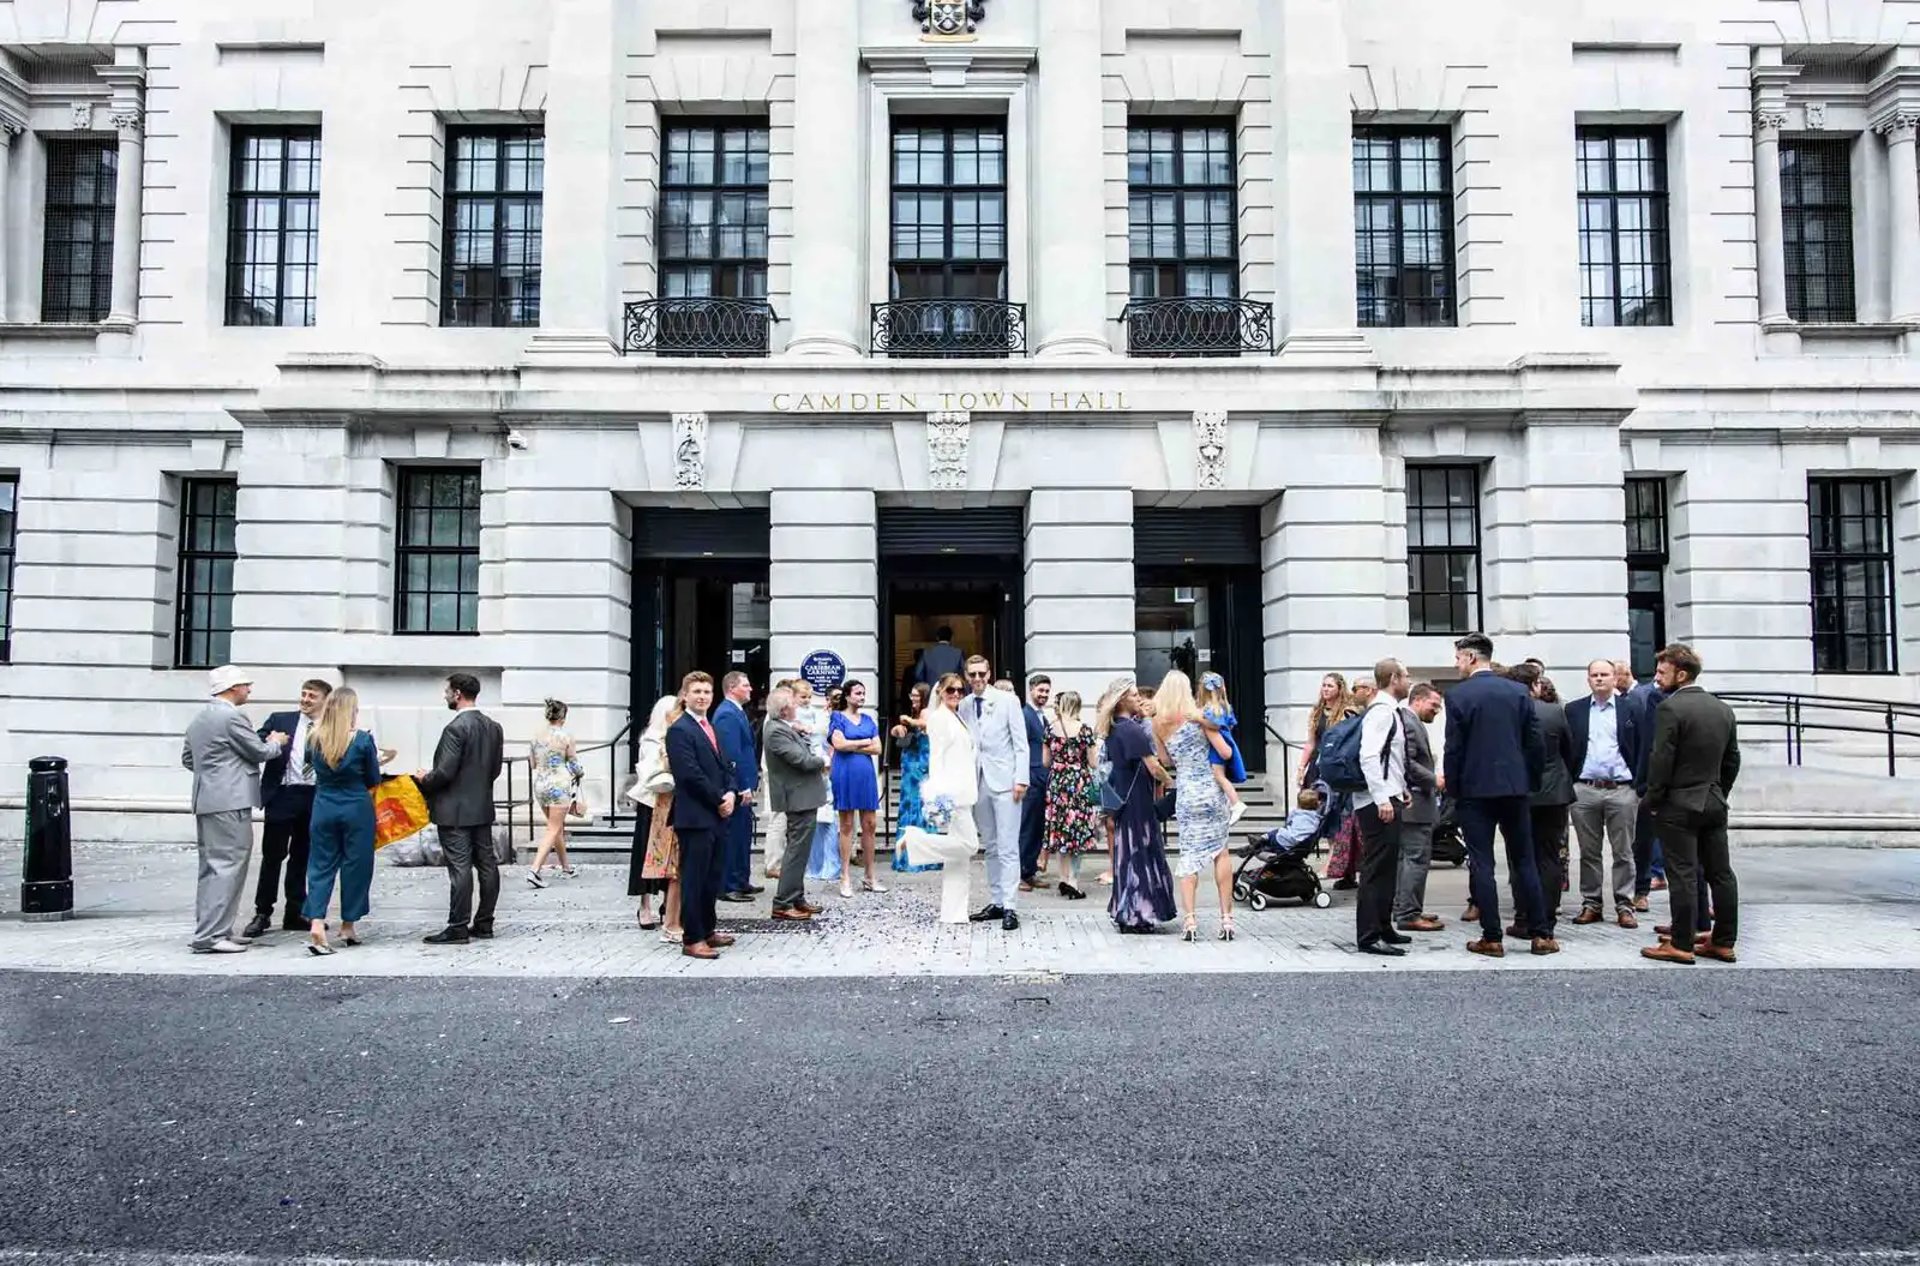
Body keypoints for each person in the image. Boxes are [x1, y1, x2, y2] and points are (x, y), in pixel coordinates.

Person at [1443, 633, 1556, 958]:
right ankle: (1542, 934)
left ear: (1471, 658)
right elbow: (1534, 743)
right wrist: (1529, 781)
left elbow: (1454, 748)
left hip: (1475, 790)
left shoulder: (1459, 695)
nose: (1456, 664)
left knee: (1482, 863)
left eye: (1458, 658)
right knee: (1524, 860)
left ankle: (1492, 936)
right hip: (1514, 787)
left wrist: (1453, 789)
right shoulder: (1518, 691)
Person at [1642, 644, 1742, 965]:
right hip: (1712, 801)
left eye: (1662, 672)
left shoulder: (1671, 709)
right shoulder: (1722, 709)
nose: (1656, 678)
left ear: (1681, 674)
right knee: (1721, 873)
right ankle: (1724, 941)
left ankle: (1681, 944)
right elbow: (1732, 760)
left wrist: (1654, 800)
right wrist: (1718, 791)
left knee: (1682, 873)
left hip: (1678, 803)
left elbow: (1661, 760)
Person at [181, 665, 288, 954]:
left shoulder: (200, 718)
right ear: (231, 688)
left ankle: (216, 929)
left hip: (207, 799)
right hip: (230, 800)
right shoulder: (232, 716)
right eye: (245, 685)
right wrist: (275, 742)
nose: (249, 690)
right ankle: (211, 936)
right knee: (228, 866)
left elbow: (189, 759)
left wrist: (216, 773)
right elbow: (259, 752)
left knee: (211, 868)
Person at [416, 673, 506, 945]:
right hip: (481, 806)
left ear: (457, 694)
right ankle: (484, 922)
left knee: (460, 868)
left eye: (447, 691)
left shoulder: (455, 728)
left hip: (454, 809)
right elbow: (495, 769)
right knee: (487, 865)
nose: (445, 695)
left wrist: (424, 779)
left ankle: (457, 926)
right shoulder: (493, 727)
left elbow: (445, 772)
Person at [244, 677, 331, 940]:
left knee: (302, 857)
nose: (305, 700)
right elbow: (255, 745)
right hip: (282, 795)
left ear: (325, 700)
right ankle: (263, 912)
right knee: (273, 856)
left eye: (312, 696)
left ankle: (295, 911)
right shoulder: (280, 720)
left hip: (314, 796)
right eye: (303, 694)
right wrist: (271, 740)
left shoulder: (330, 726)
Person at [1153, 670, 1236, 943]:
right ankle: (1226, 920)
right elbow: (1224, 752)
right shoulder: (1199, 717)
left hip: (1186, 793)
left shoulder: (1158, 723)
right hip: (1211, 790)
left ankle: (1190, 921)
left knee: (1188, 855)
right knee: (1220, 853)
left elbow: (1164, 760)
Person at [301, 686, 383, 956]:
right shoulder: (361, 740)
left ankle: (316, 920)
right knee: (356, 866)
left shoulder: (313, 737)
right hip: (356, 806)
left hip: (324, 805)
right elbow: (373, 778)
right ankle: (348, 925)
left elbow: (307, 768)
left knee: (320, 866)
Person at [896, 672, 984, 921]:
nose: (956, 694)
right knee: (969, 845)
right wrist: (939, 793)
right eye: (950, 690)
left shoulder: (956, 717)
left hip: (964, 790)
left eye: (960, 690)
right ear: (940, 692)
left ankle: (954, 913)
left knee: (959, 860)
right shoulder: (939, 719)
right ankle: (913, 841)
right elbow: (936, 759)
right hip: (952, 793)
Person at [664, 671, 737, 961]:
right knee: (694, 879)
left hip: (717, 814)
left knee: (712, 878)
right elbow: (689, 774)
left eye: (707, 691)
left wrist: (731, 792)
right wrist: (719, 799)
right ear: (685, 695)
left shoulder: (710, 726)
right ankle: (692, 937)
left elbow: (725, 766)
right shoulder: (680, 730)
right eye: (696, 691)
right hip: (695, 816)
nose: (702, 696)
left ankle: (708, 929)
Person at [1566, 659, 1644, 928]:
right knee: (1589, 852)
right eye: (1595, 675)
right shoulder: (1574, 710)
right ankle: (1591, 903)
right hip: (1585, 789)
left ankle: (1625, 904)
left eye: (1605, 674)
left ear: (1615, 678)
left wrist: (1639, 787)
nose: (1599, 679)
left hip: (1621, 790)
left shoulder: (1632, 707)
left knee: (1623, 852)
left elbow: (1645, 747)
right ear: (1588, 679)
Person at [1100, 680, 1175, 934]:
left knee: (1127, 853)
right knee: (1140, 852)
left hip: (1122, 797)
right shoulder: (1132, 730)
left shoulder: (1114, 728)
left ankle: (1127, 909)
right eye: (1133, 696)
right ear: (1122, 700)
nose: (1138, 699)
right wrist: (1172, 781)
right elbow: (1154, 766)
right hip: (1137, 800)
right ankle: (1139, 912)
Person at [961, 654, 1029, 931]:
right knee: (989, 845)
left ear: (989, 673)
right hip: (978, 782)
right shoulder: (964, 705)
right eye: (972, 675)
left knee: (1008, 846)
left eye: (981, 674)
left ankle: (1011, 905)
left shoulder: (1007, 700)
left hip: (1006, 780)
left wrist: (1021, 779)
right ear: (966, 676)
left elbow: (1021, 743)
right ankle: (997, 900)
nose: (977, 679)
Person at [1350, 659, 1411, 956]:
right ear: (1393, 678)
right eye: (1406, 676)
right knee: (1376, 868)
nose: (1409, 681)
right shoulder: (1382, 713)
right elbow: (1369, 757)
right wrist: (1382, 798)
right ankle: (1369, 935)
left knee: (1387, 867)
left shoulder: (1389, 711)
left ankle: (1383, 926)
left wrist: (1400, 790)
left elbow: (1392, 759)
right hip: (1378, 802)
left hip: (1389, 795)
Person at [1515, 665, 1575, 938]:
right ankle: (1547, 918)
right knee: (1550, 857)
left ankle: (1525, 917)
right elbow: (1570, 751)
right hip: (1554, 793)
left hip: (1522, 792)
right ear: (1536, 685)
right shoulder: (1554, 711)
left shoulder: (1512, 712)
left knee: (1522, 857)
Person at [763, 685, 829, 921]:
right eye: (793, 704)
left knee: (800, 852)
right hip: (797, 798)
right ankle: (783, 903)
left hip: (803, 797)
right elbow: (800, 760)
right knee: (795, 852)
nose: (797, 707)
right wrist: (822, 761)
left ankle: (796, 898)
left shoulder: (783, 727)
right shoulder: (776, 731)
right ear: (784, 710)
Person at [1392, 682, 1446, 933]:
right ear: (1418, 700)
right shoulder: (1410, 723)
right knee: (1416, 859)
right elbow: (1408, 762)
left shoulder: (1409, 721)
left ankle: (1404, 907)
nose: (1437, 710)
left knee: (1407, 859)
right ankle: (1408, 914)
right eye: (1434, 705)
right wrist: (1433, 779)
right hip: (1415, 805)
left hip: (1412, 805)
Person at [829, 678, 885, 897]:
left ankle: (870, 876)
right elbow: (839, 745)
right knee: (846, 824)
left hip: (865, 775)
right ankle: (844, 876)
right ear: (847, 695)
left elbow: (878, 748)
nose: (861, 697)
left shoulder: (869, 719)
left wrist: (852, 745)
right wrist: (864, 742)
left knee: (870, 823)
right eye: (858, 693)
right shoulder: (837, 717)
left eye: (863, 693)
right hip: (845, 773)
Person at [628, 694, 678, 933]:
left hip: (673, 801)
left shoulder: (678, 734)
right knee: (647, 854)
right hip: (652, 802)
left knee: (671, 855)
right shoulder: (651, 739)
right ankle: (644, 904)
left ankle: (667, 903)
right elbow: (651, 771)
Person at [1042, 690, 1098, 899]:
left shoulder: (1050, 729)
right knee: (1077, 832)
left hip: (1057, 783)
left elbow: (1046, 761)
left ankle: (1063, 879)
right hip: (1078, 784)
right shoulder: (1085, 730)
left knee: (1060, 831)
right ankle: (1074, 880)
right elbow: (1093, 763)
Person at [713, 671, 763, 905]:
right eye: (746, 685)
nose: (751, 688)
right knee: (733, 835)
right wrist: (740, 785)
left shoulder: (737, 712)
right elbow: (730, 754)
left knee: (743, 834)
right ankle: (728, 884)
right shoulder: (726, 714)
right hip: (736, 785)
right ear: (732, 687)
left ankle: (741, 879)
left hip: (745, 782)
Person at [526, 698, 583, 888]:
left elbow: (532, 763)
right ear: (563, 716)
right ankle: (535, 870)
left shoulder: (536, 736)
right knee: (553, 828)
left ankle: (566, 866)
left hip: (541, 784)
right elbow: (574, 764)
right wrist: (580, 772)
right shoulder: (566, 737)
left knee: (555, 826)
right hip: (559, 784)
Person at [890, 682, 940, 873]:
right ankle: (910, 854)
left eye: (916, 695)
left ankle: (918, 857)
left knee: (919, 805)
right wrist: (898, 729)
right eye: (911, 695)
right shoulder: (914, 713)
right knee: (910, 805)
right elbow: (901, 731)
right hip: (910, 763)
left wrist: (909, 721)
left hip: (920, 764)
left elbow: (926, 724)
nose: (913, 698)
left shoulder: (928, 712)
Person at [1195, 672, 1246, 821]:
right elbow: (1230, 724)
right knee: (1220, 776)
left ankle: (1236, 803)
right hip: (1225, 741)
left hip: (1217, 747)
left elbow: (1215, 726)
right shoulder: (1224, 707)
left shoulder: (1210, 710)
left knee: (1219, 775)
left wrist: (1198, 719)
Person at [1018, 674, 1052, 890]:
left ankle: (1030, 871)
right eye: (1041, 691)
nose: (1044, 695)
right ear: (1031, 690)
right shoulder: (1025, 715)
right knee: (1027, 826)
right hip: (1031, 776)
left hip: (1043, 777)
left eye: (1047, 691)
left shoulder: (1043, 717)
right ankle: (1019, 873)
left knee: (1038, 826)